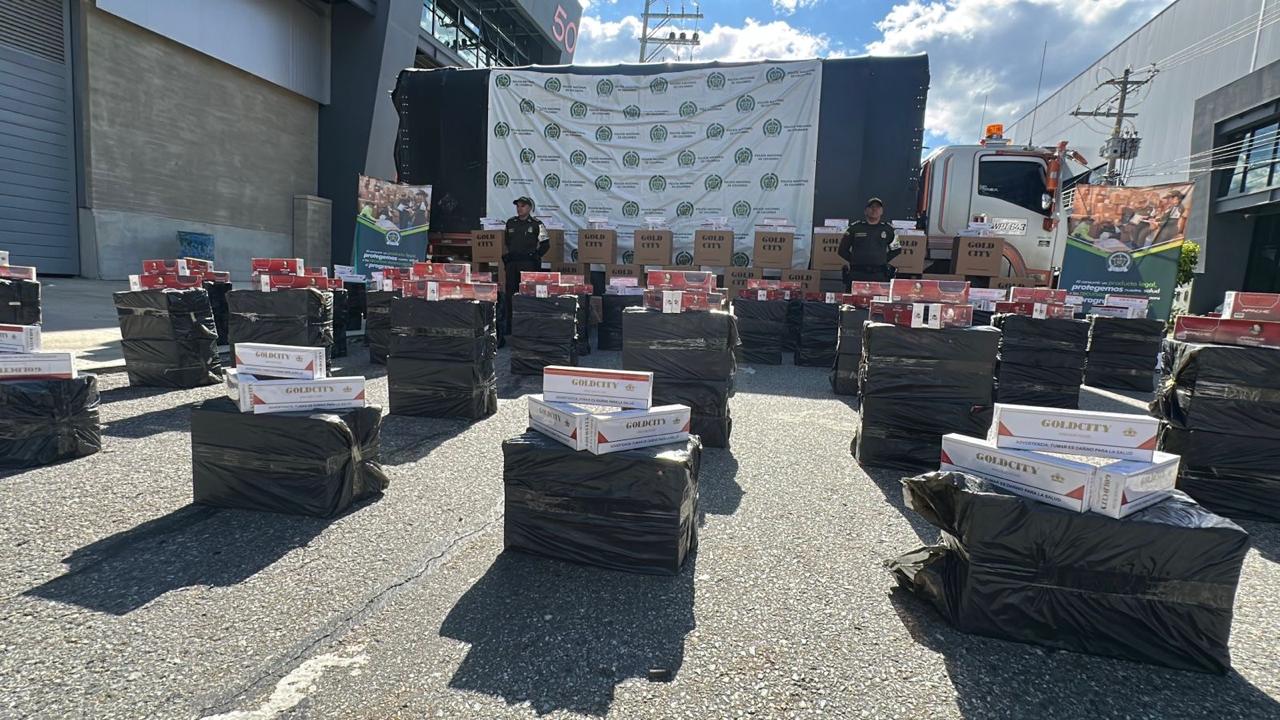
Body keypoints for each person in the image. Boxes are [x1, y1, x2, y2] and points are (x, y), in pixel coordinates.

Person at [502, 196, 549, 331]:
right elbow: (507, 242)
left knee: (528, 293)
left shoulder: (536, 224)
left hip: (528, 264)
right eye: (517, 206)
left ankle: (528, 325)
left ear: (529, 208)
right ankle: (510, 325)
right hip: (512, 264)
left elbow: (546, 244)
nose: (519, 208)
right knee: (511, 293)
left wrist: (536, 256)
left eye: (522, 206)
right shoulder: (510, 223)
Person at [838, 197, 900, 284]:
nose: (874, 209)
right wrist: (855, 260)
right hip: (857, 274)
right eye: (871, 207)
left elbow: (897, 249)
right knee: (854, 298)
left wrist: (883, 260)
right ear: (865, 211)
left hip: (879, 274)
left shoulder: (889, 229)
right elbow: (842, 250)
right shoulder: (855, 228)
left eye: (877, 207)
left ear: (882, 211)